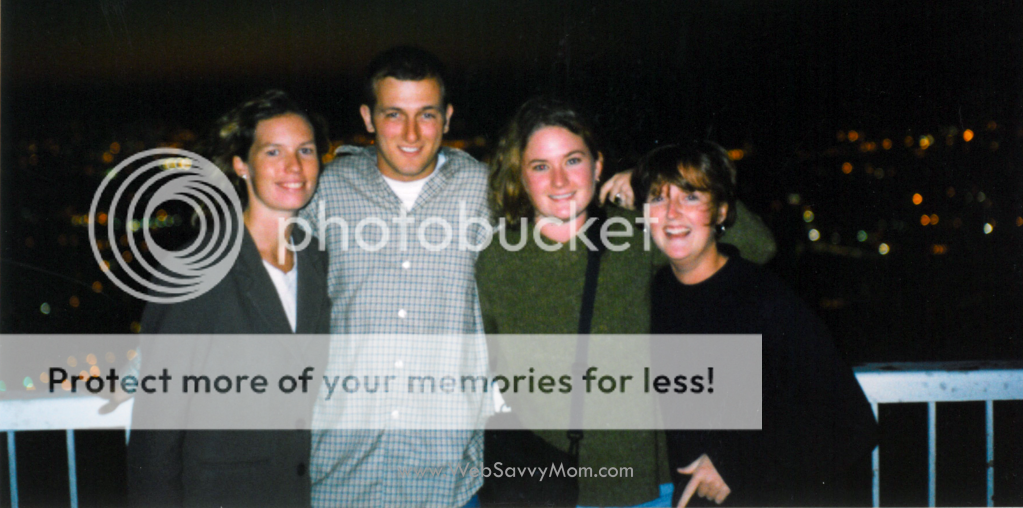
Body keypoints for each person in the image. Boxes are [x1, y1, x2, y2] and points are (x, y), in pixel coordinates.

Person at [475, 97, 778, 506]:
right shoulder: (497, 259)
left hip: (639, 483)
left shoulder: (636, 233)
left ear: (598, 167)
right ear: (521, 176)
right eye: (541, 166)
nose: (560, 181)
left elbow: (757, 245)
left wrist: (654, 186)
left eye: (573, 161)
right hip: (540, 482)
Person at [632, 140, 877, 507]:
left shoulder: (762, 298)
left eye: (691, 197)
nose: (672, 213)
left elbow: (854, 425)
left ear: (721, 212)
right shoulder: (657, 294)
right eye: (658, 198)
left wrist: (736, 466)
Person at [300, 46, 492, 507]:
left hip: (447, 474)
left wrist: (628, 188)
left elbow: (566, 220)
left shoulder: (485, 189)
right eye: (393, 115)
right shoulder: (324, 189)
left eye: (425, 115)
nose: (410, 133)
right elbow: (252, 270)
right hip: (340, 470)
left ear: (447, 117)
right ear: (368, 118)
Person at [127, 90, 333, 506]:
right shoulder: (200, 270)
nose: (293, 167)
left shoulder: (318, 261)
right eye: (273, 151)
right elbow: (156, 434)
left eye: (305, 151)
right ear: (241, 164)